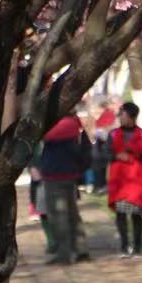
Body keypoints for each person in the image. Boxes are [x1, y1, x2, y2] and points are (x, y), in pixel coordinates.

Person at [38, 111, 92, 265]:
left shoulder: (62, 124)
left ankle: (64, 253)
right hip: (70, 174)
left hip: (56, 175)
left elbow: (44, 135)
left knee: (58, 216)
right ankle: (81, 249)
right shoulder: (74, 123)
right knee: (72, 213)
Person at [107, 100, 142, 256]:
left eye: (123, 114)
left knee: (136, 213)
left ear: (132, 117)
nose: (121, 117)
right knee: (120, 213)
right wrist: (116, 155)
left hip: (136, 178)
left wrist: (136, 155)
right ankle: (124, 245)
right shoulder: (113, 134)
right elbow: (105, 154)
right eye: (120, 114)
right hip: (119, 178)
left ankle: (137, 246)